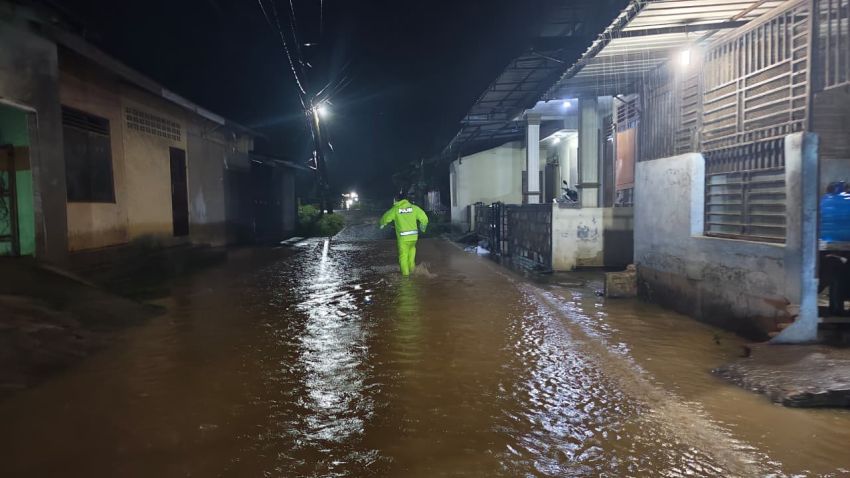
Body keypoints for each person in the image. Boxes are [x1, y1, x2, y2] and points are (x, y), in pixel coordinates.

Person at [380, 192, 429, 276]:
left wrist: (382, 223)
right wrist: (423, 227)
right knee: (411, 253)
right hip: (414, 238)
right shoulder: (414, 208)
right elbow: (424, 218)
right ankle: (413, 271)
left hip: (403, 239)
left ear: (397, 200)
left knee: (403, 257)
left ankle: (406, 278)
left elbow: (386, 217)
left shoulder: (395, 209)